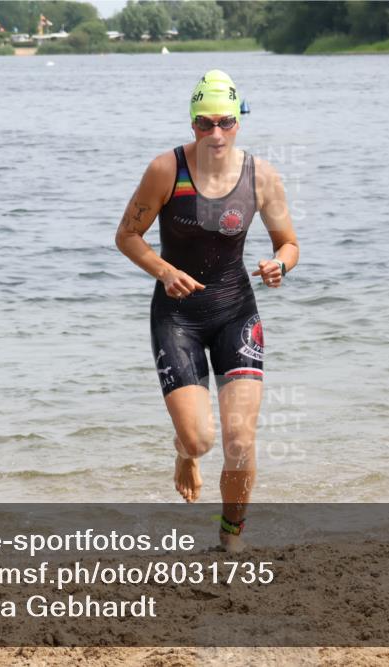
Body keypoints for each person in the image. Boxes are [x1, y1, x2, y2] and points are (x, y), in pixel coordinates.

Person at [115, 70, 299, 551]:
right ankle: (184, 452)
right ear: (192, 124)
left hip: (236, 311)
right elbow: (126, 236)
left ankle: (230, 539)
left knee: (239, 442)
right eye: (203, 123)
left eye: (224, 122)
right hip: (178, 316)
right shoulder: (166, 170)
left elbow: (289, 243)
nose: (215, 134)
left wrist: (279, 265)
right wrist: (162, 270)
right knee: (199, 440)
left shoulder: (262, 177)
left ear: (239, 121)